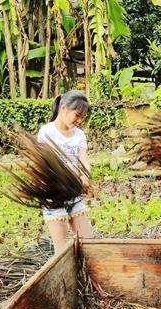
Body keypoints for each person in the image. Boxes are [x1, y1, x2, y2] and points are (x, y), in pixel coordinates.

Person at [38, 90, 93, 252]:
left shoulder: (80, 135)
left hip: (74, 193)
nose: (79, 120)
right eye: (77, 115)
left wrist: (86, 178)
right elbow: (43, 165)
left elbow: (84, 160)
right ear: (64, 109)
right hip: (53, 195)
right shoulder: (47, 132)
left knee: (88, 246)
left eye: (83, 117)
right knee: (61, 252)